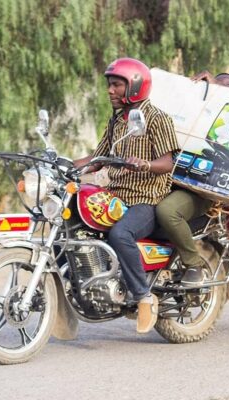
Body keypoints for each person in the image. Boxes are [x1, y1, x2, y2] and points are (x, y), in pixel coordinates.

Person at [74, 58, 179, 334]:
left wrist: (145, 164)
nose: (110, 90)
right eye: (109, 85)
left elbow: (167, 162)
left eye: (116, 85)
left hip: (147, 199)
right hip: (116, 196)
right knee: (75, 229)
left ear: (134, 86)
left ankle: (144, 297)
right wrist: (65, 165)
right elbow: (98, 158)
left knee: (120, 234)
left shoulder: (157, 118)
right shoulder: (117, 120)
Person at [155, 70, 229, 286]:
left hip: (202, 190)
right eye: (216, 88)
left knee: (167, 211)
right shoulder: (196, 115)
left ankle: (193, 265)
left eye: (227, 89)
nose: (220, 91)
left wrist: (221, 92)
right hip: (168, 180)